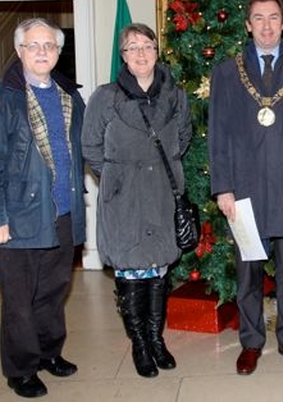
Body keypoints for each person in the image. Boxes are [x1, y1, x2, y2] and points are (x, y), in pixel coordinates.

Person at [209, 0, 283, 375]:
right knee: (249, 269)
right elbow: (218, 134)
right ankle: (251, 341)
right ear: (247, 24)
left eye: (273, 17)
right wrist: (223, 187)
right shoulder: (227, 72)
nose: (266, 25)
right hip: (244, 189)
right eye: (258, 18)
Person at [0, 18, 86, 398]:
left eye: (48, 45)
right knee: (19, 300)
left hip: (63, 214)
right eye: (33, 45)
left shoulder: (71, 96)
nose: (41, 52)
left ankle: (49, 353)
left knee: (53, 292)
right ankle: (20, 369)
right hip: (17, 218)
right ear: (19, 50)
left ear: (58, 52)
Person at [82, 23, 192, 378]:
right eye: (133, 47)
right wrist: (117, 178)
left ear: (157, 52)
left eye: (147, 46)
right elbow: (90, 147)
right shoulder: (105, 97)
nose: (141, 54)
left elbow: (185, 137)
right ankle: (140, 344)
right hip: (123, 199)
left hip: (162, 193)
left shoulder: (175, 96)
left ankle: (157, 340)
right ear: (123, 56)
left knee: (159, 269)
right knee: (131, 270)